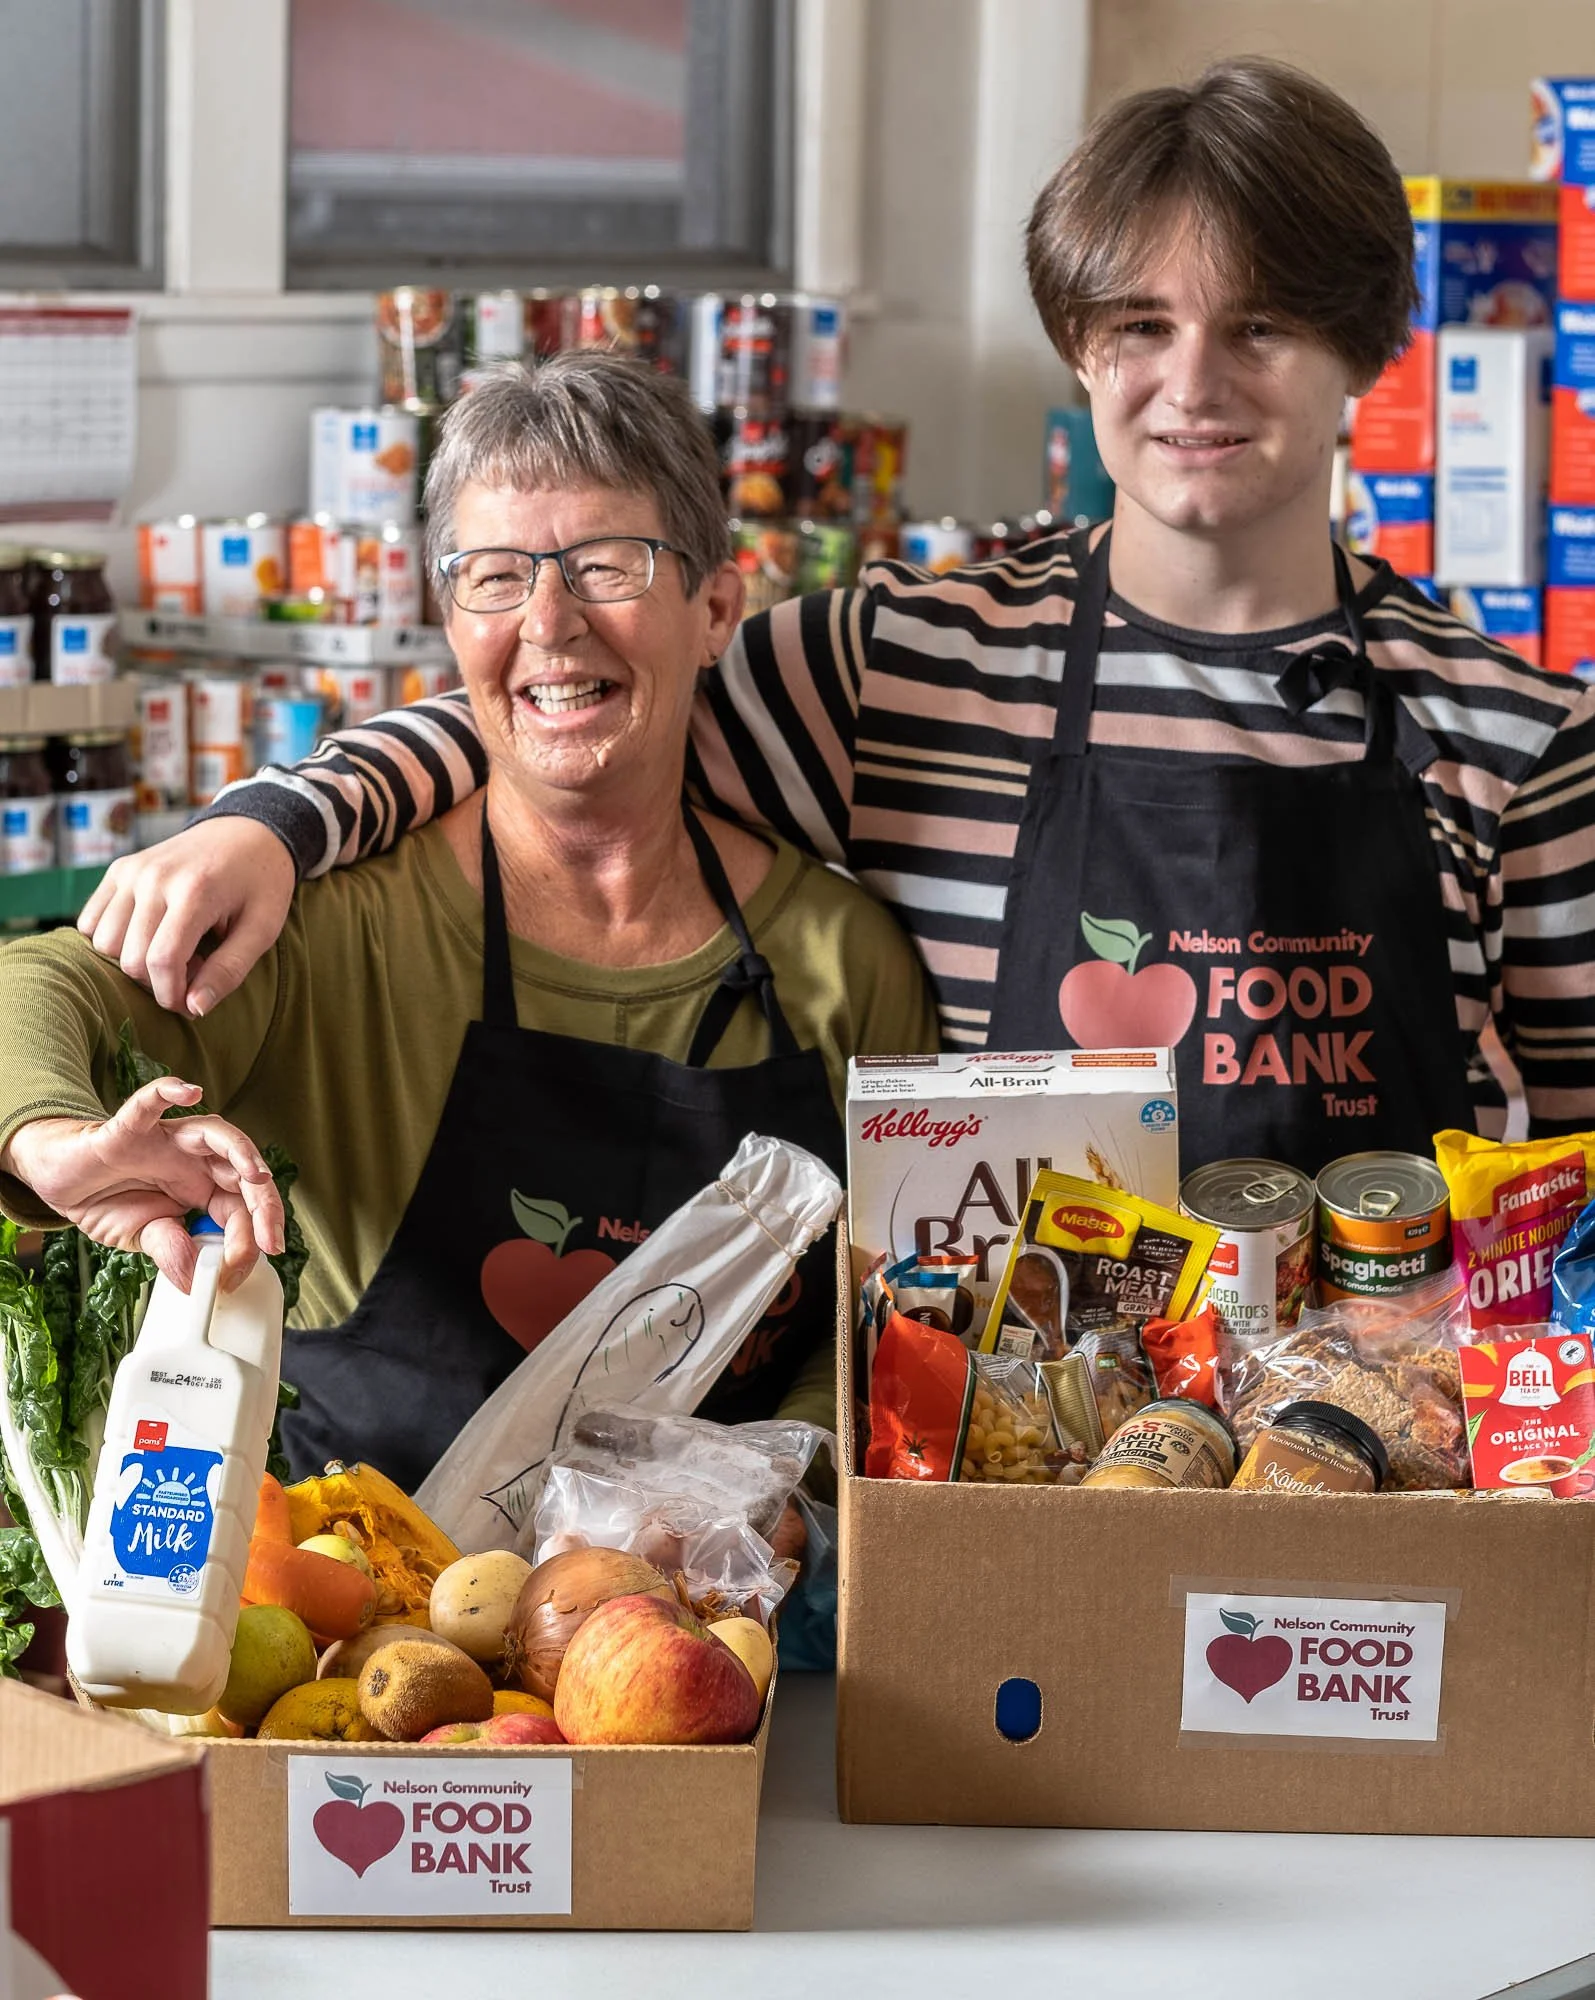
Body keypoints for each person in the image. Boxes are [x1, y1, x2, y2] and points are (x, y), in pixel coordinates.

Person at [81, 58, 1595, 1173]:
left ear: (1365, 356)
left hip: (1380, 1477)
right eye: (1138, 325)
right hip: (1000, 1470)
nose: (1189, 385)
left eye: (1257, 327)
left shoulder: (1514, 740)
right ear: (1078, 353)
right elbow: (564, 705)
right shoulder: (900, 668)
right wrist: (273, 827)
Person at [0, 355, 937, 1490]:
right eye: (494, 576)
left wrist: (761, 1494)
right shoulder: (330, 922)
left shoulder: (845, 962)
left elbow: (872, 1309)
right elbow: (38, 987)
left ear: (714, 611)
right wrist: (58, 1143)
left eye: (606, 564)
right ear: (449, 619)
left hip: (710, 1622)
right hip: (342, 1633)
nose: (549, 623)